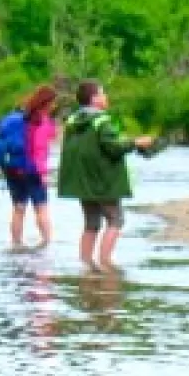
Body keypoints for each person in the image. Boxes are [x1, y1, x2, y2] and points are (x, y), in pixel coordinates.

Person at [57, 80, 158, 272]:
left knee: (91, 223)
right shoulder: (101, 121)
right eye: (103, 93)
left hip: (82, 182)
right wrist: (136, 142)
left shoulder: (72, 121)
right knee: (116, 220)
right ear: (94, 99)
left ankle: (86, 266)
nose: (106, 97)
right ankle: (106, 262)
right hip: (103, 181)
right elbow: (113, 147)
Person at [5, 85, 59, 249]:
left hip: (14, 168)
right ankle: (47, 243)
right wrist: (43, 174)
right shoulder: (43, 121)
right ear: (47, 102)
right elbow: (40, 149)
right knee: (41, 208)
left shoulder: (18, 117)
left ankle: (16, 244)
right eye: (53, 102)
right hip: (34, 170)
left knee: (19, 208)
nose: (54, 106)